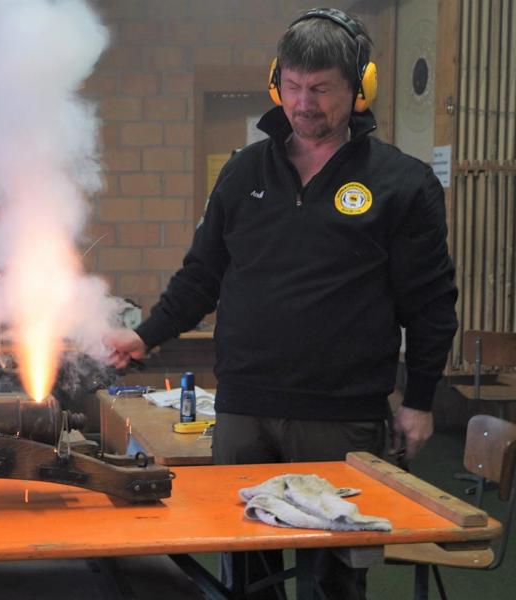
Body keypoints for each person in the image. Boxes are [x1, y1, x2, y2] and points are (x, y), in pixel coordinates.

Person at [105, 8, 457, 599]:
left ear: (359, 89)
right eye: (293, 86)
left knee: (336, 575)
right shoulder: (244, 172)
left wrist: (420, 400)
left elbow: (430, 304)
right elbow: (203, 274)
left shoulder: (404, 183)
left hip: (342, 411)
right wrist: (146, 334)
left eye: (321, 89)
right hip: (245, 408)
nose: (304, 102)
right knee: (246, 570)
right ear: (276, 83)